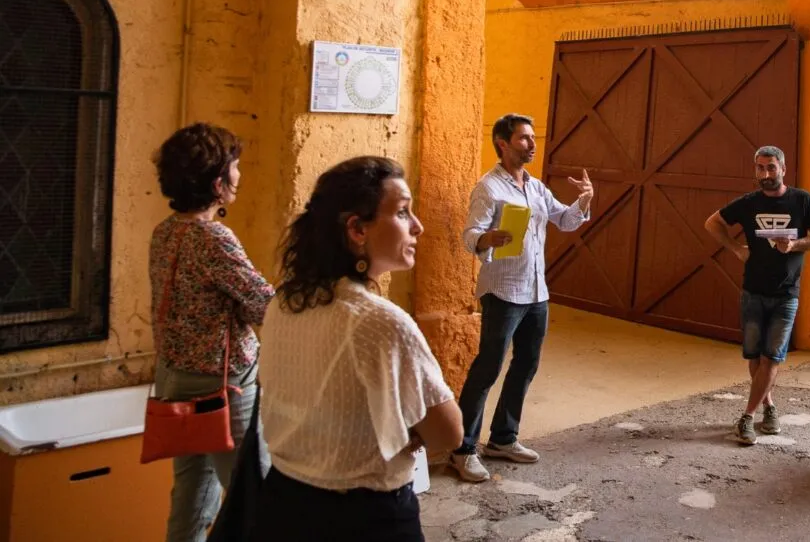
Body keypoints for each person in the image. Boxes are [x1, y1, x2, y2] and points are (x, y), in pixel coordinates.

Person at [255, 157, 462, 541]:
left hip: (281, 505)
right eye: (402, 213)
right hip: (363, 519)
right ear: (357, 229)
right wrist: (408, 428)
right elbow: (447, 435)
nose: (418, 226)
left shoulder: (282, 303)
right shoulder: (381, 322)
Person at [451, 113, 594, 482]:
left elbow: (563, 220)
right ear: (503, 143)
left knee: (526, 364)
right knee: (488, 369)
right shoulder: (488, 188)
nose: (531, 144)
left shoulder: (535, 187)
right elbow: (470, 234)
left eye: (532, 138)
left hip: (536, 291)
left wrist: (584, 200)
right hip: (502, 291)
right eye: (524, 139)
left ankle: (502, 439)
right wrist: (487, 238)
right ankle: (463, 448)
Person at [149, 123, 274, 542]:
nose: (240, 175)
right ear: (218, 182)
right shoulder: (214, 237)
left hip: (173, 380)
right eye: (235, 167)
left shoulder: (165, 232)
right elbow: (263, 305)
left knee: (190, 500)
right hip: (222, 388)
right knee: (254, 502)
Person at [703, 145, 810, 446]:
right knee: (756, 356)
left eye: (772, 167)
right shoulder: (748, 203)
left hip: (786, 294)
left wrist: (795, 245)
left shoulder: (802, 200)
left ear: (783, 169)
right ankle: (769, 407)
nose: (766, 174)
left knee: (772, 357)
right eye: (760, 168)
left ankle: (746, 417)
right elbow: (712, 223)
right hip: (753, 292)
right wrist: (735, 250)